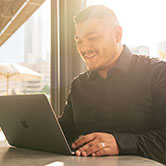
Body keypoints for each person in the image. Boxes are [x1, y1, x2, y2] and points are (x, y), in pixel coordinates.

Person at [58, 5, 166, 164]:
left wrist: (120, 143)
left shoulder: (158, 73)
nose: (84, 48)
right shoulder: (79, 85)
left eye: (92, 38)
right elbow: (64, 132)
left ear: (117, 34)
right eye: (79, 41)